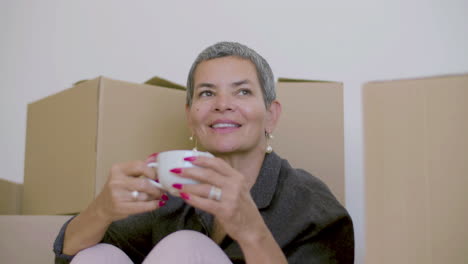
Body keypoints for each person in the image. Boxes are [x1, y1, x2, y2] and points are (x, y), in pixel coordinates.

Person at [54, 41, 354, 263]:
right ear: (190, 116)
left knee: (185, 246)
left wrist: (253, 232)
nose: (222, 104)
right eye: (207, 93)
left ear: (271, 115)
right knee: (99, 255)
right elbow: (71, 253)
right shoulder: (172, 194)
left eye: (243, 91)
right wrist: (102, 209)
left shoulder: (313, 209)